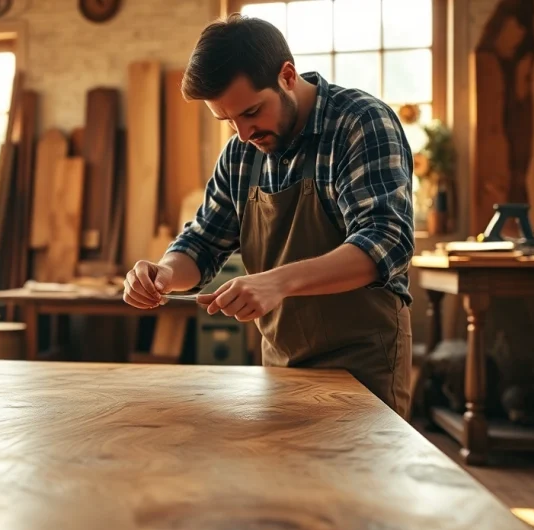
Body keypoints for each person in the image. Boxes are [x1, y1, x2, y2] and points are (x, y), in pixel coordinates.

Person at [123, 14, 416, 420]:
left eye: (252, 112)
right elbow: (202, 242)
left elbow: (387, 241)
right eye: (228, 121)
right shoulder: (240, 153)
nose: (244, 134)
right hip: (281, 364)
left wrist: (277, 282)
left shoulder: (360, 122)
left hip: (364, 361)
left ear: (287, 76)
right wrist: (165, 274)